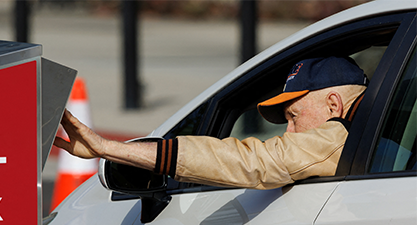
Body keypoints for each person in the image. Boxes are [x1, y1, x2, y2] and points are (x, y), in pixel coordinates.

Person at [54, 56, 368, 190]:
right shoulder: (377, 129)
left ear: (333, 105)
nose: (288, 131)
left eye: (293, 117)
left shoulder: (341, 135)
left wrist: (107, 148)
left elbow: (252, 161)